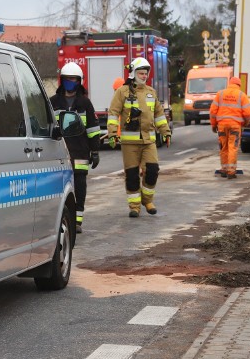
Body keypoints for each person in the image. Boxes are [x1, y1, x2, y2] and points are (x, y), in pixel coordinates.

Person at [107, 57, 171, 218]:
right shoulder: (122, 92)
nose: (144, 76)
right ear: (133, 73)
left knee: (152, 170)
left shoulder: (151, 92)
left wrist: (166, 132)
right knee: (132, 175)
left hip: (149, 141)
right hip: (129, 143)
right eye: (141, 73)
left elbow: (159, 114)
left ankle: (147, 200)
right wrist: (113, 133)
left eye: (145, 73)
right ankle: (134, 206)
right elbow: (113, 113)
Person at [50, 62, 101, 233]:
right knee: (58, 187)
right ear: (62, 80)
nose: (70, 82)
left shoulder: (85, 103)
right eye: (67, 79)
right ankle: (60, 219)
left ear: (79, 81)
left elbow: (93, 130)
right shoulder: (53, 102)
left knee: (79, 185)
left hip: (79, 152)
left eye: (73, 79)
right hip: (58, 152)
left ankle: (77, 220)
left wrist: (95, 151)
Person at [209, 76, 250, 179]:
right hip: (235, 125)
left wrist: (213, 124)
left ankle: (224, 169)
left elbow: (212, 111)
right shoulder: (241, 95)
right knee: (232, 147)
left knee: (224, 147)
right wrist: (246, 122)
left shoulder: (220, 94)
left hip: (222, 125)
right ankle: (231, 171)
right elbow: (248, 112)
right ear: (238, 85)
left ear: (229, 84)